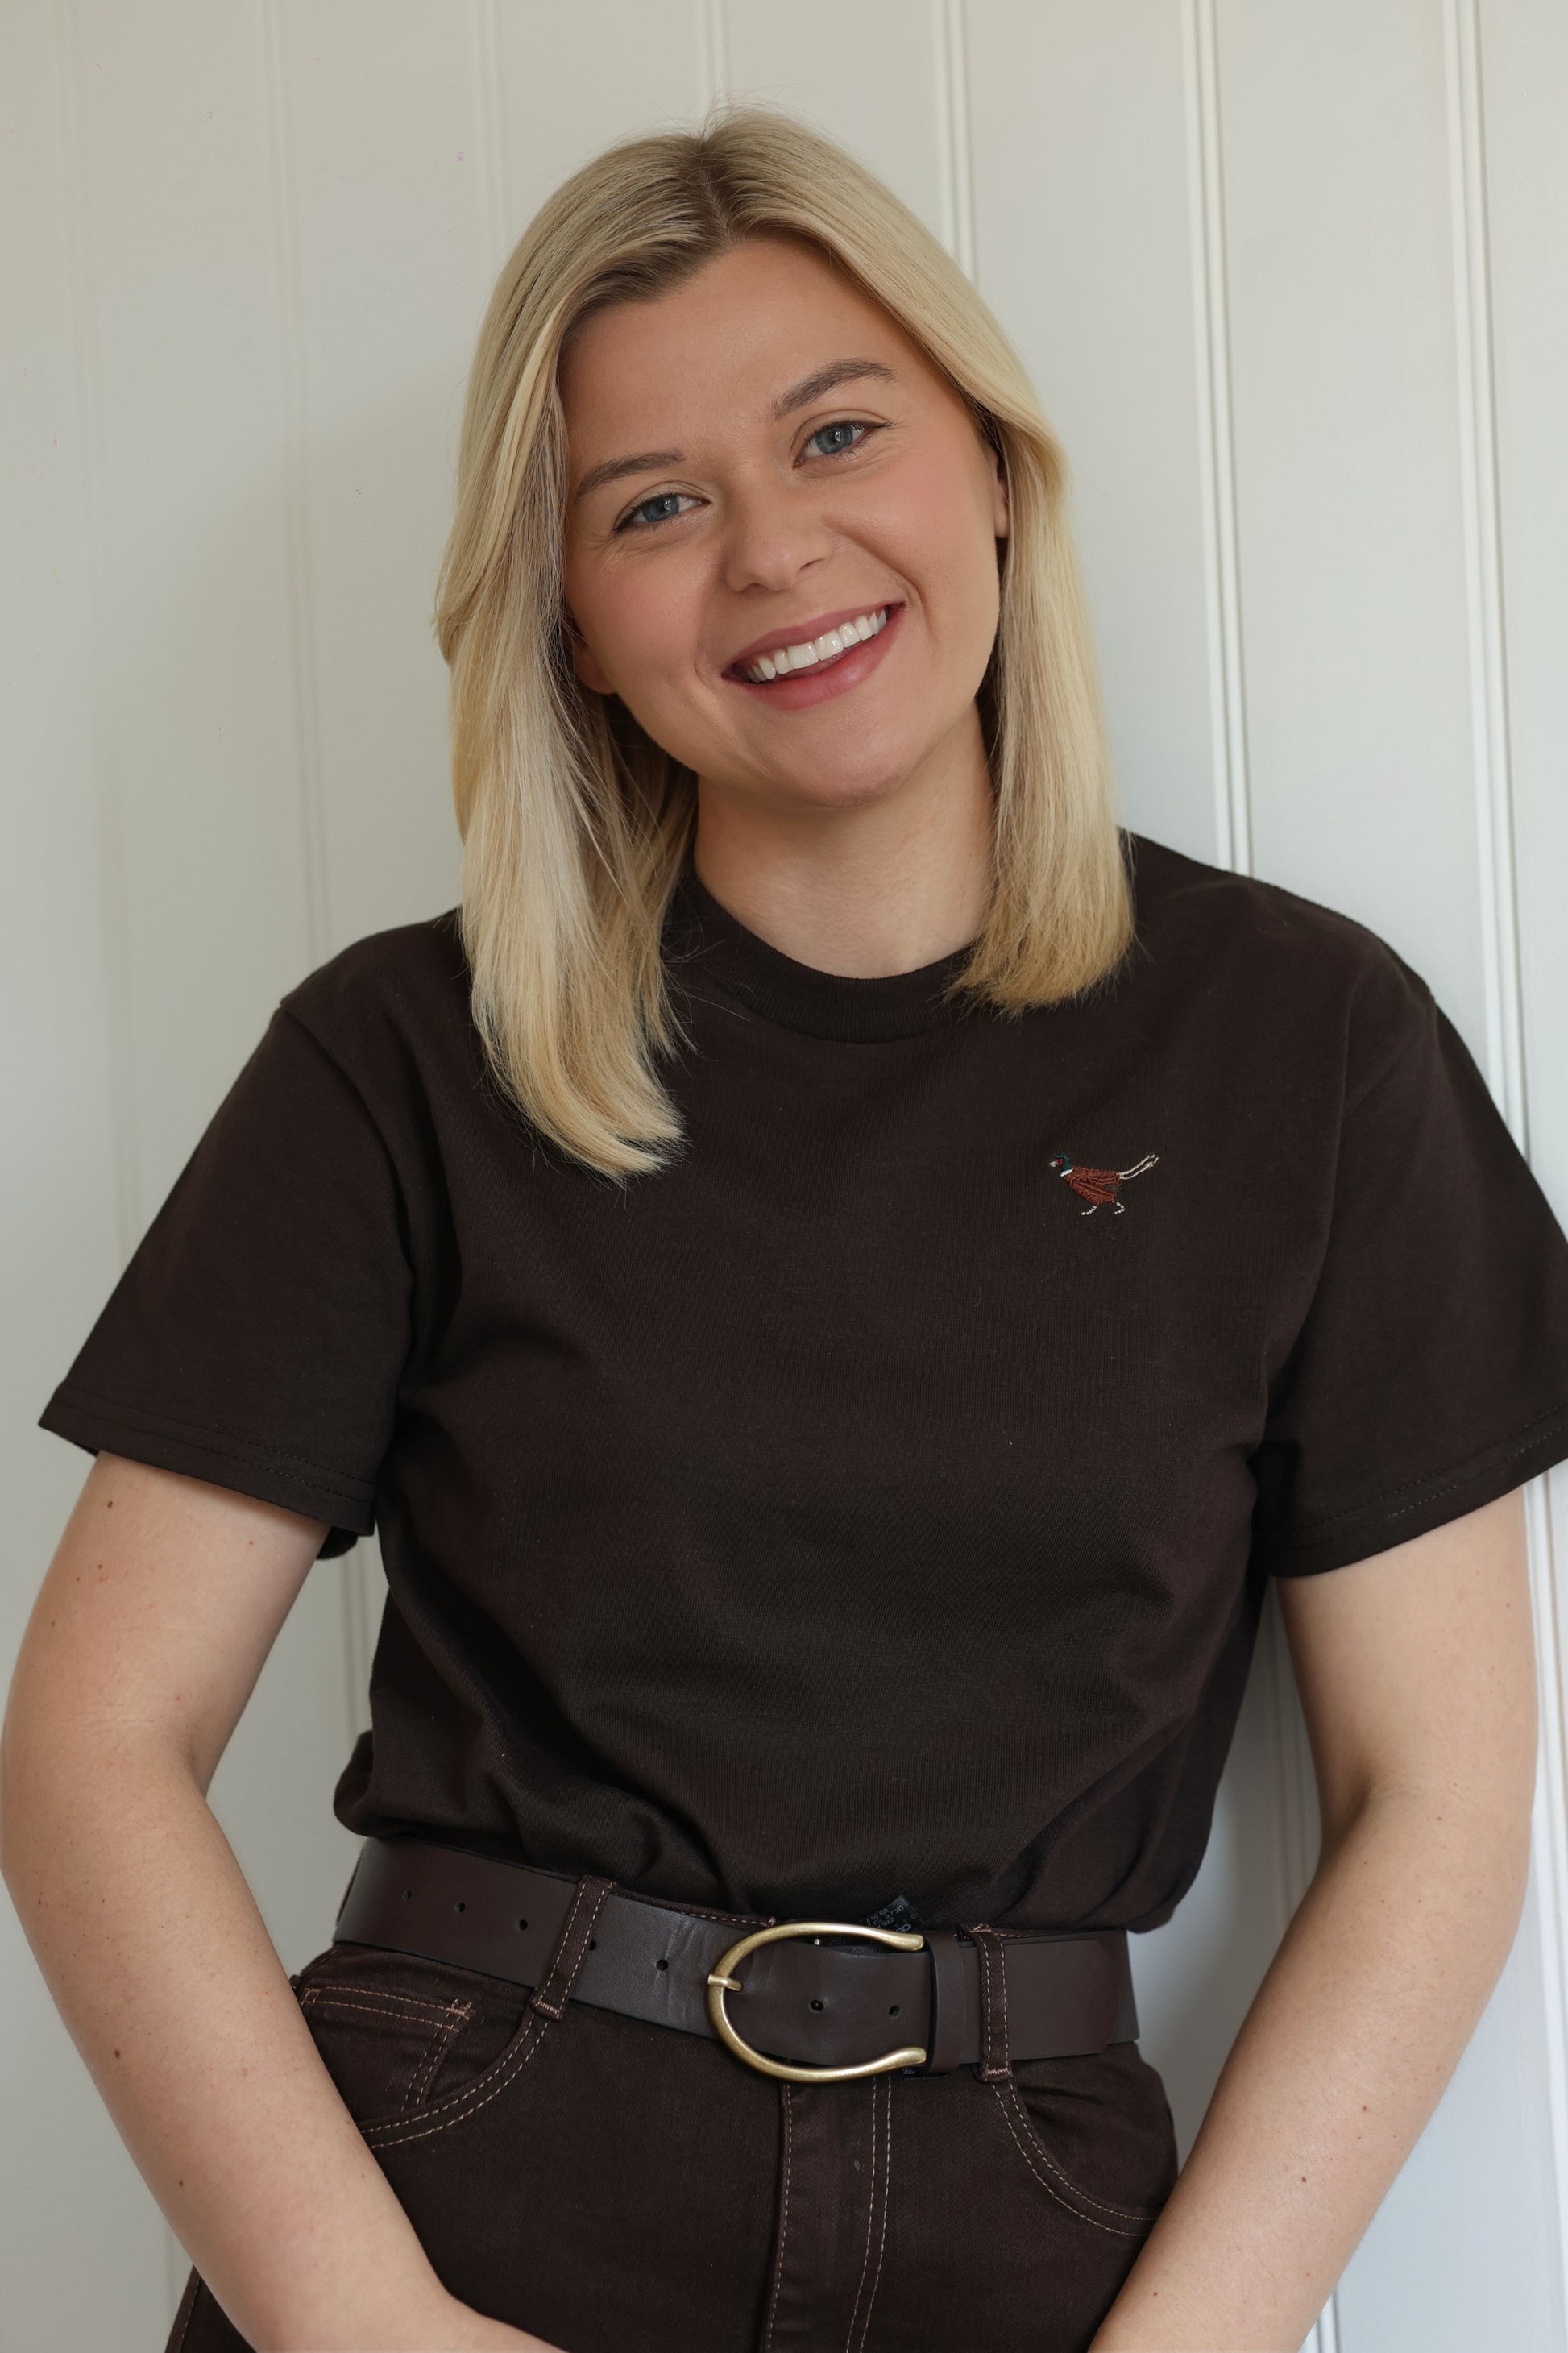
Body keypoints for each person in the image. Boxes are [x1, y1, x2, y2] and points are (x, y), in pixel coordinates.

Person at [5, 102, 1568, 2353]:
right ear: (571, 620)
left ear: (994, 472)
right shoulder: (402, 1059)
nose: (770, 550)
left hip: (1039, 2217)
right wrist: (359, 2326)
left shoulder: (1307, 1048)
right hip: (464, 2176)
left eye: (839, 432)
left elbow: (1437, 1800)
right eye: (653, 504)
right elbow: (91, 1743)